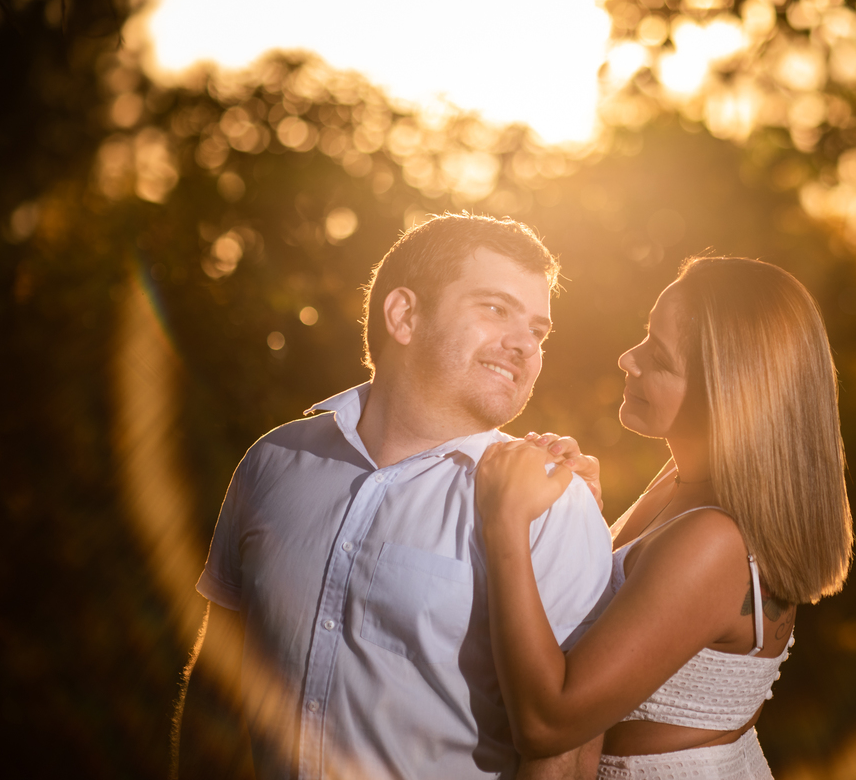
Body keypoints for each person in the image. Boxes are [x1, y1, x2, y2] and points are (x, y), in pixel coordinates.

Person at [174, 213, 613, 780]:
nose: (523, 345)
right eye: (495, 309)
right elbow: (218, 682)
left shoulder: (557, 505)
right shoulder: (274, 461)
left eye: (538, 330)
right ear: (404, 315)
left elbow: (564, 760)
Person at [475, 256, 854, 779]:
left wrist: (506, 524)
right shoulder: (683, 478)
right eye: (644, 338)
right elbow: (635, 604)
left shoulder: (714, 539)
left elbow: (548, 725)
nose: (628, 359)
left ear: (727, 392)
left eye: (659, 356)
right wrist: (581, 519)